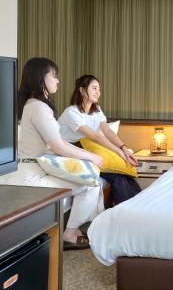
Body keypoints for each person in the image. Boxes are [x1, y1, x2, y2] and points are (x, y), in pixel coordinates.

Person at [0, 57, 104, 250]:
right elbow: (58, 146)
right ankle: (70, 232)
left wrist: (86, 156)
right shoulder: (38, 107)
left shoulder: (34, 105)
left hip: (37, 167)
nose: (57, 80)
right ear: (41, 78)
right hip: (31, 175)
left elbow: (59, 142)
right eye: (54, 76)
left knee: (91, 181)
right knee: (92, 184)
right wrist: (92, 157)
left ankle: (73, 230)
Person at [58, 75, 141, 205]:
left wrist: (124, 148)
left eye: (99, 89)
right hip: (71, 150)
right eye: (94, 88)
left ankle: (137, 206)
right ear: (82, 90)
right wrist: (118, 152)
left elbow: (107, 131)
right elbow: (95, 136)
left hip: (88, 147)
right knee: (115, 175)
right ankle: (125, 211)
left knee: (123, 171)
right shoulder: (71, 112)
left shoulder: (97, 111)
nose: (98, 92)